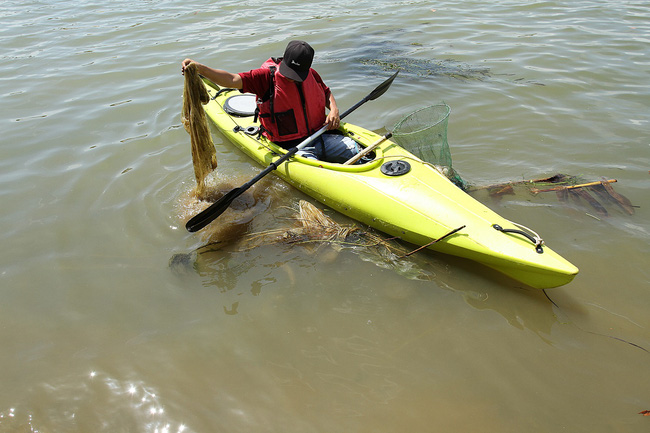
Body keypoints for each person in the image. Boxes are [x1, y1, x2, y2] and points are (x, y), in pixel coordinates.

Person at [181, 40, 360, 163]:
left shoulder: (311, 74)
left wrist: (335, 109)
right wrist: (200, 68)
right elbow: (232, 79)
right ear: (285, 61)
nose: (293, 79)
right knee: (319, 169)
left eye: (297, 76)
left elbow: (327, 93)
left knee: (355, 149)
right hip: (292, 148)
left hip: (320, 135)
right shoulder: (266, 77)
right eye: (290, 74)